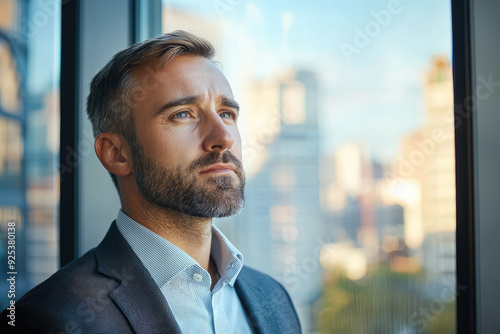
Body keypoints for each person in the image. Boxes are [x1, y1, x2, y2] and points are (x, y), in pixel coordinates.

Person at [1, 30, 301, 333]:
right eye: (183, 114)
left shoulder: (273, 297)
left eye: (226, 113)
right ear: (117, 154)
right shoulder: (47, 319)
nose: (223, 137)